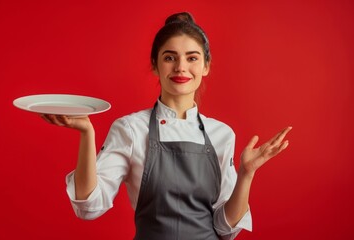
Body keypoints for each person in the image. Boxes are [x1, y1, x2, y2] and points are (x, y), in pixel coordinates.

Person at [41, 12, 291, 240]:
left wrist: (246, 173)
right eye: (170, 57)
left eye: (192, 58)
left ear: (205, 66)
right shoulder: (131, 129)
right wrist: (87, 133)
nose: (181, 67)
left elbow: (225, 228)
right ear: (155, 65)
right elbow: (89, 206)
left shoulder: (222, 134)